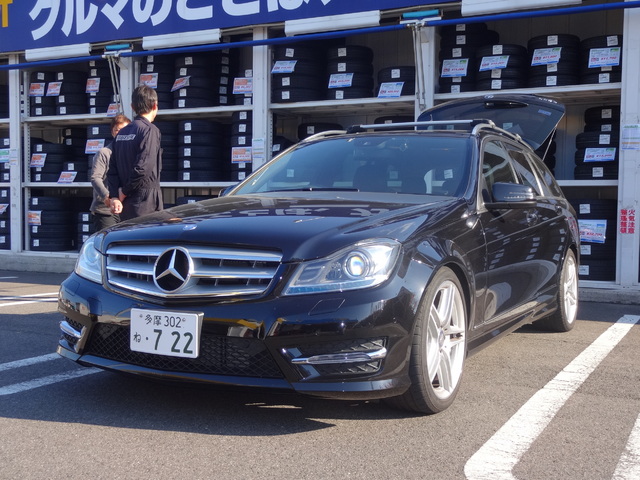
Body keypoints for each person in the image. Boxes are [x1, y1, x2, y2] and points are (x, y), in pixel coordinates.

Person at [108, 85, 163, 221]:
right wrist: (124, 192)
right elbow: (143, 168)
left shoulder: (121, 133)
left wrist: (115, 195)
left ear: (132, 107)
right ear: (155, 105)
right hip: (145, 202)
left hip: (125, 204)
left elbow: (112, 168)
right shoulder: (149, 130)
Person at [89, 114, 131, 231]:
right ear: (112, 132)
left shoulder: (132, 154)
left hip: (127, 210)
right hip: (105, 211)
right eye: (117, 130)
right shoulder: (104, 153)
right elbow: (95, 178)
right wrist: (107, 197)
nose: (120, 133)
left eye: (124, 130)